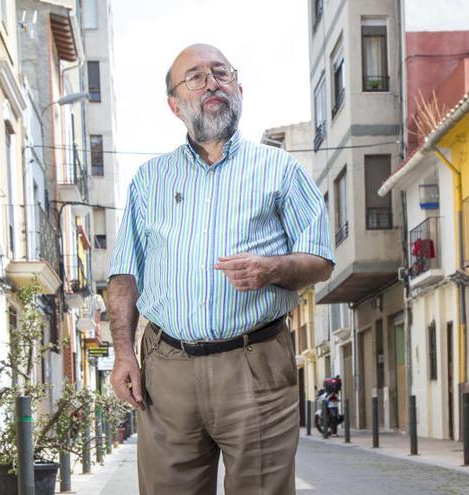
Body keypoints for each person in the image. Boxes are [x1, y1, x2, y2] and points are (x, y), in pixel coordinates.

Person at [106, 43, 335, 495]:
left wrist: (270, 269)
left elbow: (321, 259)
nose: (211, 82)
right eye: (194, 76)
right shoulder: (150, 180)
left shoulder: (282, 171)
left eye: (221, 72)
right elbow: (123, 277)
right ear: (175, 104)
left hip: (256, 364)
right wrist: (124, 353)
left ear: (239, 89)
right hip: (167, 369)